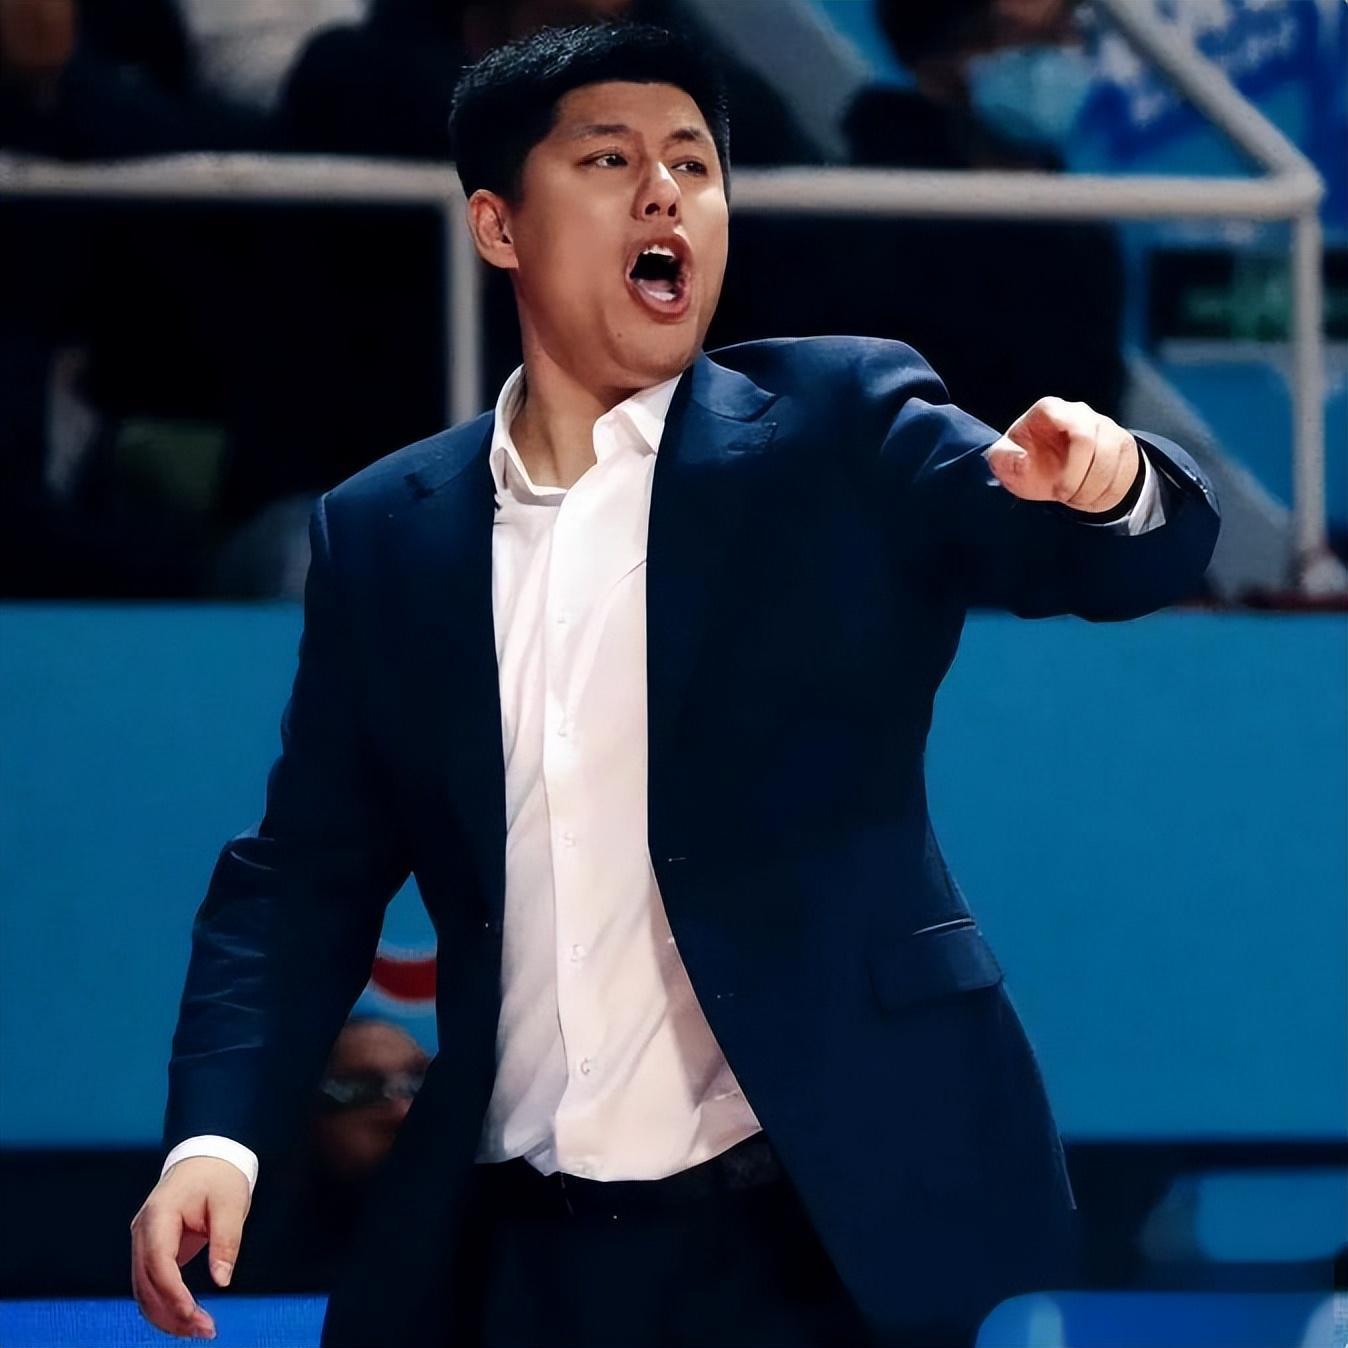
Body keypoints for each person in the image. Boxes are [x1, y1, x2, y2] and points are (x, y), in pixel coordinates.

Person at [130, 21, 1220, 1348]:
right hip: (512, 1253)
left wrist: (1115, 485)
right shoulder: (385, 533)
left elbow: (1102, 556)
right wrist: (217, 1139)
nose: (665, 192)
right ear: (498, 226)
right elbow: (303, 873)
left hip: (818, 1239)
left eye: (695, 165)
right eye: (610, 160)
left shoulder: (840, 423)